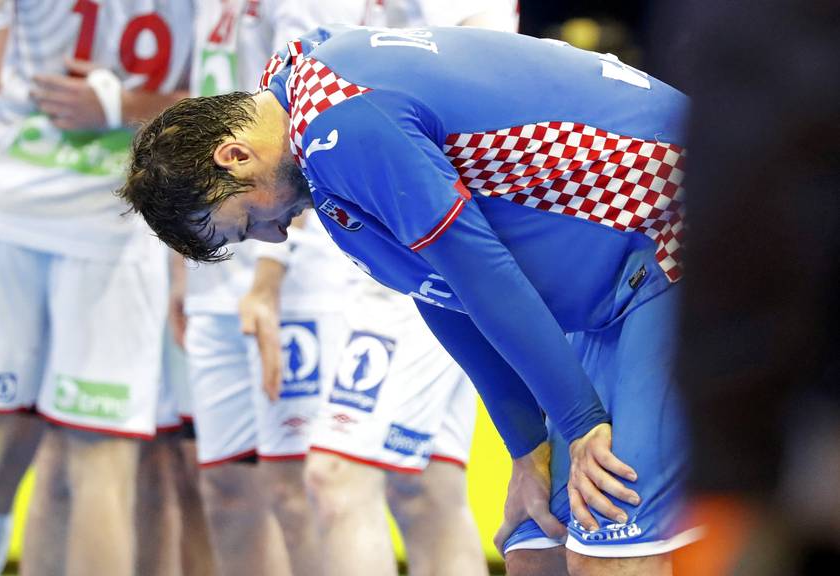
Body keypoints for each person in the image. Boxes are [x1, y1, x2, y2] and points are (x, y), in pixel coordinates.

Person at [120, 24, 696, 576]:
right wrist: (527, 451)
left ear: (234, 155)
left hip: (677, 228)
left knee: (611, 542)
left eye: (246, 222)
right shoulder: (312, 132)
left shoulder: (340, 119)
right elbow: (441, 294)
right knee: (535, 548)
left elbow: (480, 270)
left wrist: (580, 422)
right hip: (615, 285)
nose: (273, 237)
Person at [183, 2, 486, 574]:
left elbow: (295, 130)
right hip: (266, 246)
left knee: (336, 481)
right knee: (413, 486)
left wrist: (268, 277)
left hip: (352, 246)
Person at [0, 1, 193, 574]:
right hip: (113, 226)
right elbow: (226, 94)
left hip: (7, 205)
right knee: (100, 462)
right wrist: (125, 106)